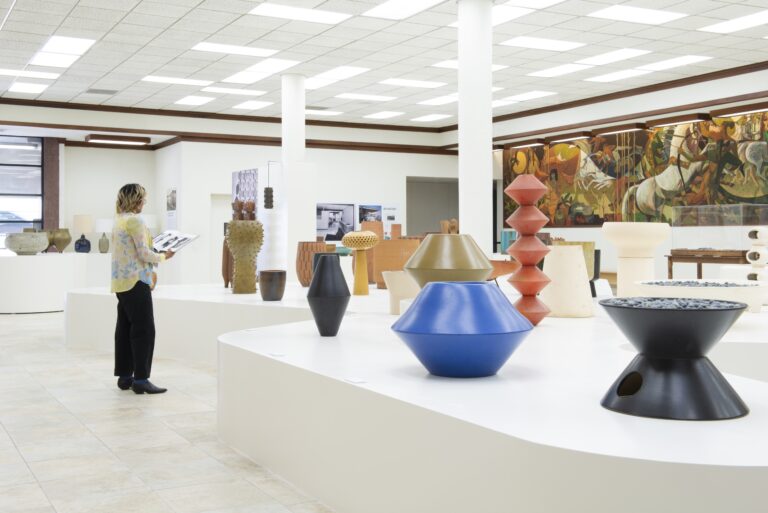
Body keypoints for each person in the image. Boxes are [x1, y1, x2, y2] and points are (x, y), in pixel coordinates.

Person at [111, 183, 174, 394]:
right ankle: (141, 379)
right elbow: (143, 254)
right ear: (136, 200)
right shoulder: (135, 220)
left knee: (125, 329)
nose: (144, 202)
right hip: (137, 281)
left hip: (121, 283)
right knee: (144, 330)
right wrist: (164, 256)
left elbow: (133, 249)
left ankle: (125, 376)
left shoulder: (119, 220)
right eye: (143, 199)